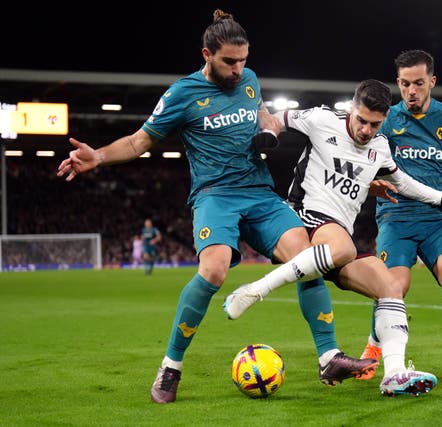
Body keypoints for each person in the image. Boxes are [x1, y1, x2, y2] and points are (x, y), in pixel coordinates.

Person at [57, 9, 375, 404]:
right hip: (215, 196)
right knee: (214, 269)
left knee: (307, 257)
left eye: (244, 60)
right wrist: (99, 157)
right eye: (229, 61)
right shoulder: (181, 95)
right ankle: (171, 366)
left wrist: (264, 128)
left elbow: (260, 111)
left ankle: (329, 356)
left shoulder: (250, 81)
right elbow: (140, 142)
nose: (239, 69)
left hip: (259, 192)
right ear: (206, 54)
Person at [223, 79, 442, 396]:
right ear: (352, 109)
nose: (366, 130)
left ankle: (394, 374)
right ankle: (254, 291)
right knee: (342, 246)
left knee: (390, 286)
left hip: (338, 237)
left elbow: (403, 182)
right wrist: (266, 132)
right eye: (361, 120)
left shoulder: (380, 147)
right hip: (306, 216)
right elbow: (273, 117)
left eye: (375, 124)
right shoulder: (321, 120)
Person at [349, 50, 442, 390]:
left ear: (432, 81)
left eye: (419, 83)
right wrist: (370, 181)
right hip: (397, 216)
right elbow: (363, 157)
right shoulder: (385, 120)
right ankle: (375, 346)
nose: (411, 91)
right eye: (405, 84)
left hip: (439, 217)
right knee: (395, 286)